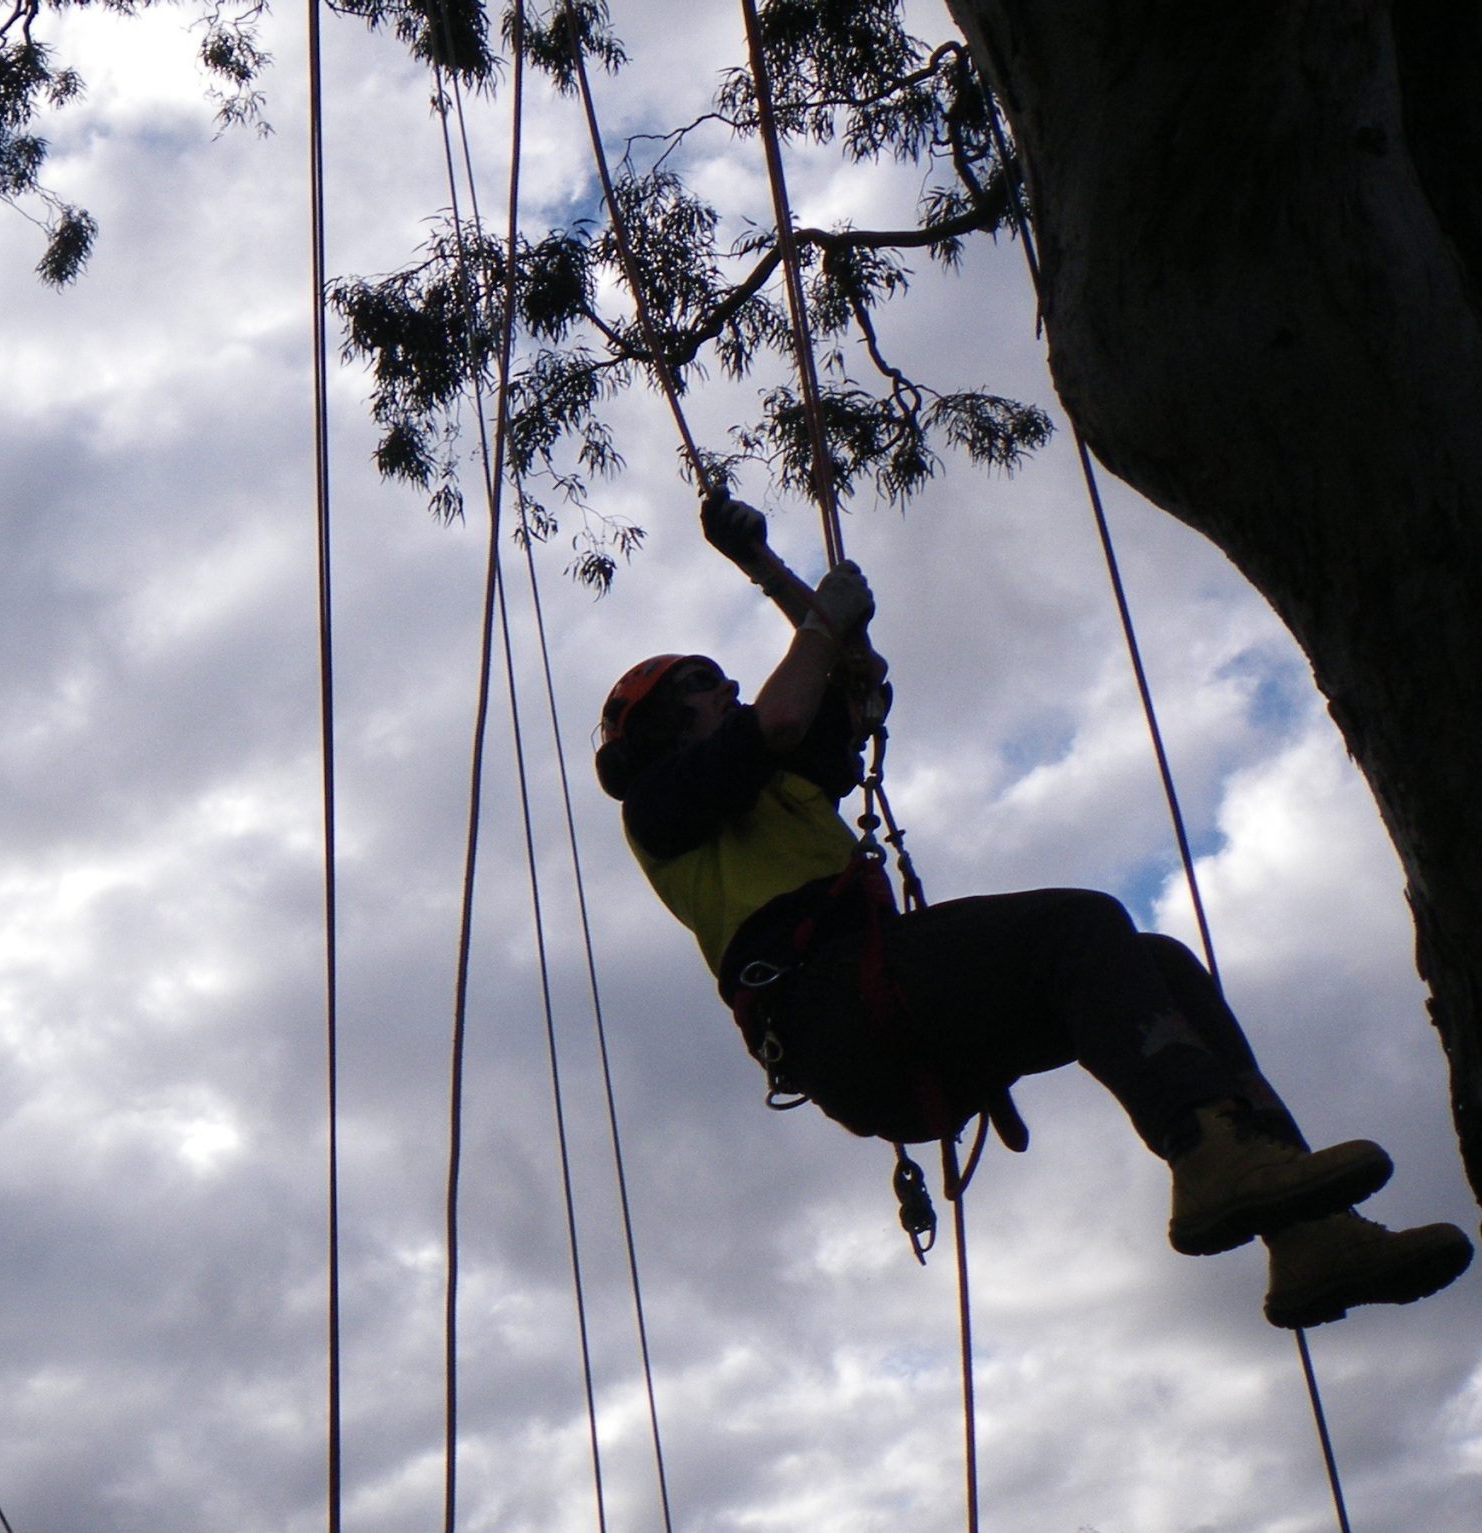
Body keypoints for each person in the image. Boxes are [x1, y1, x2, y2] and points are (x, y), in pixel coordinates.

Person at [593, 493, 1472, 1328]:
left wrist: (767, 566)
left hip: (884, 1009)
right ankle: (1204, 1152)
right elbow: (784, 713)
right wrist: (818, 613)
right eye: (705, 686)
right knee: (1075, 927)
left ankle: (1302, 1224)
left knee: (1156, 964)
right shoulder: (665, 807)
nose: (729, 688)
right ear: (664, 728)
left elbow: (853, 676)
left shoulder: (775, 786)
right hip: (837, 1009)